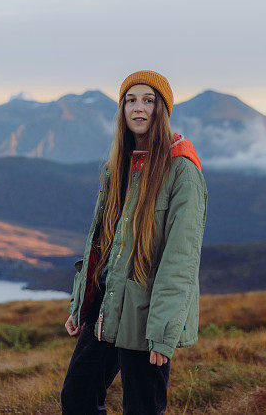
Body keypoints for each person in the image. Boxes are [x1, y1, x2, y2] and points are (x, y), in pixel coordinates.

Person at [61, 70, 208, 414]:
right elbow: (100, 242)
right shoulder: (117, 166)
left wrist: (163, 331)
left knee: (142, 408)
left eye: (148, 100)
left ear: (163, 110)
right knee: (77, 398)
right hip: (108, 305)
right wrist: (81, 302)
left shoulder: (182, 171)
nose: (138, 109)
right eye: (130, 100)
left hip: (146, 315)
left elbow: (180, 260)